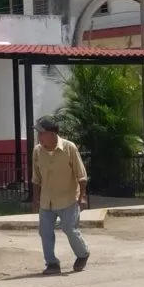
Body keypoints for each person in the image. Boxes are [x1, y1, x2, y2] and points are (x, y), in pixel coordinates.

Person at [31, 115, 91, 276]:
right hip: (46, 199)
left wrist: (83, 196)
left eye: (41, 132)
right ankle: (51, 263)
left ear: (52, 133)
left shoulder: (69, 147)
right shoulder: (37, 151)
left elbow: (81, 175)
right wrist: (35, 198)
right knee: (45, 232)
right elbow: (36, 178)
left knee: (69, 228)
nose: (38, 136)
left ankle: (82, 254)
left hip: (68, 197)